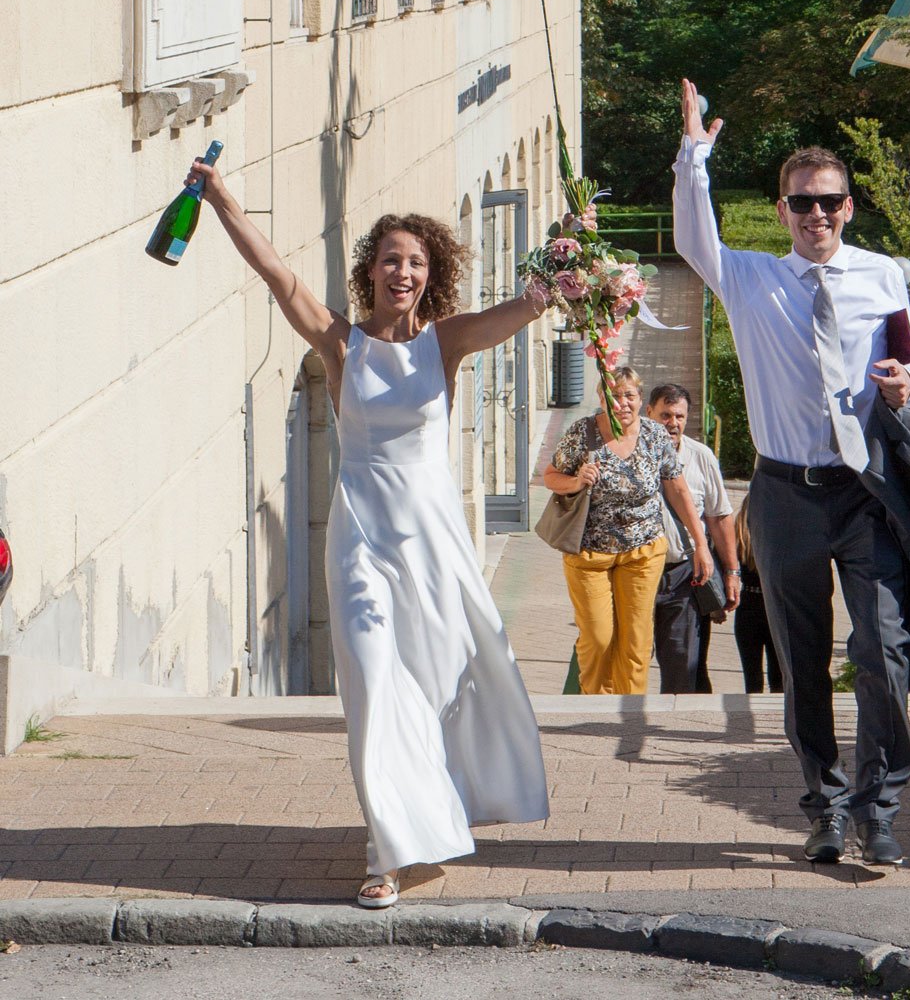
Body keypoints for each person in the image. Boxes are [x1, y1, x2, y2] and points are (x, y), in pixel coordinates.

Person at [188, 157, 549, 910]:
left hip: (432, 544)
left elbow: (524, 308)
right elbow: (277, 275)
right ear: (371, 270)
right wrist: (222, 201)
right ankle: (386, 852)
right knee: (374, 682)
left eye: (415, 262)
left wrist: (563, 273)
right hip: (360, 539)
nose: (402, 272)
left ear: (430, 273)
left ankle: (433, 811)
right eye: (390, 259)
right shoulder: (342, 344)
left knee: (437, 685)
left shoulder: (445, 343)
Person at [671, 78, 910, 868]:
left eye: (829, 202)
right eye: (802, 203)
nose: (817, 214)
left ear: (848, 208)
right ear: (782, 211)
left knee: (882, 650)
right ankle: (824, 807)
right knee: (801, 658)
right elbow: (693, 240)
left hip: (864, 491)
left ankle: (877, 808)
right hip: (783, 494)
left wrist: (908, 384)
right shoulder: (750, 278)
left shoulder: (882, 275)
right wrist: (693, 159)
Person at [542, 365, 714, 695]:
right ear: (601, 400)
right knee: (598, 637)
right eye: (614, 396)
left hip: (643, 551)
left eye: (629, 396)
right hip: (590, 553)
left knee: (636, 640)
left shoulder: (654, 435)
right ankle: (595, 705)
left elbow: (678, 489)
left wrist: (701, 545)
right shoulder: (583, 433)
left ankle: (630, 709)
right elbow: (551, 476)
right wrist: (576, 481)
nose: (622, 403)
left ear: (640, 398)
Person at [647, 383, 739, 693]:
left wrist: (732, 572)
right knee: (630, 661)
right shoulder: (630, 451)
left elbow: (719, 517)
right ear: (649, 413)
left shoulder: (701, 457)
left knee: (682, 666)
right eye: (665, 415)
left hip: (683, 574)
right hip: (636, 572)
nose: (672, 423)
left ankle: (676, 717)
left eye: (679, 416)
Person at [731, 494, 783, 695]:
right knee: (778, 676)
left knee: (751, 677)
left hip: (747, 607)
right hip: (774, 606)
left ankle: (749, 708)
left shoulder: (739, 536)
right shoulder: (774, 537)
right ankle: (777, 710)